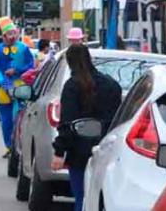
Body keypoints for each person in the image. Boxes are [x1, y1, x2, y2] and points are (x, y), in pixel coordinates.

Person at [52, 45, 121, 211]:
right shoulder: (111, 85)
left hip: (79, 152)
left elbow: (67, 123)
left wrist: (59, 152)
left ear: (70, 62)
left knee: (81, 198)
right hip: (107, 149)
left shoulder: (72, 86)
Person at [0, 16, 34, 159]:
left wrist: (17, 71)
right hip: (4, 90)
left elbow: (30, 65)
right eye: (10, 34)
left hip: (20, 87)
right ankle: (9, 146)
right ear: (3, 36)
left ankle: (18, 145)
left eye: (15, 33)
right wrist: (6, 85)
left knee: (18, 117)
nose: (13, 36)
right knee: (6, 121)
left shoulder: (23, 48)